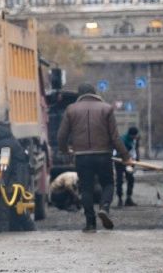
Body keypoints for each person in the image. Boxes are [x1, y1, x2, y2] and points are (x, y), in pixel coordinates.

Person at [56, 83, 132, 232]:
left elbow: (61, 136)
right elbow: (115, 137)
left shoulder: (71, 109)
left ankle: (90, 224)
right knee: (108, 184)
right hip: (103, 154)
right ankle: (104, 207)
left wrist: (65, 150)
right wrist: (125, 156)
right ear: (94, 93)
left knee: (86, 189)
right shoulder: (106, 108)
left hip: (82, 156)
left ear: (80, 95)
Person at [0, 121, 34, 231]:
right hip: (18, 178)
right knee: (15, 210)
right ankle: (30, 230)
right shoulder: (3, 140)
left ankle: (3, 235)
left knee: (2, 207)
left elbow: (5, 166)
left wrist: (1, 183)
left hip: (14, 180)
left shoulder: (4, 145)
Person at [115, 127, 139, 207]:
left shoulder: (134, 140)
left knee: (130, 179)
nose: (135, 137)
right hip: (119, 161)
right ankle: (120, 199)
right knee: (119, 180)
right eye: (134, 136)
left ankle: (128, 198)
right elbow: (118, 151)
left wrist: (135, 161)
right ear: (131, 135)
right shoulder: (122, 140)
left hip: (129, 162)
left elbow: (134, 151)